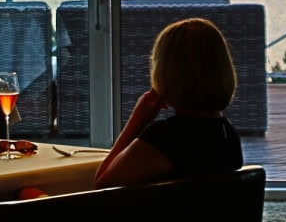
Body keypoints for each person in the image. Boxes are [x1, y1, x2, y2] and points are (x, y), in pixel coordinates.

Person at [95, 17, 243, 189]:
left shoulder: (163, 140)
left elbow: (103, 186)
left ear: (166, 72)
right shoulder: (228, 134)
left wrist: (137, 121)